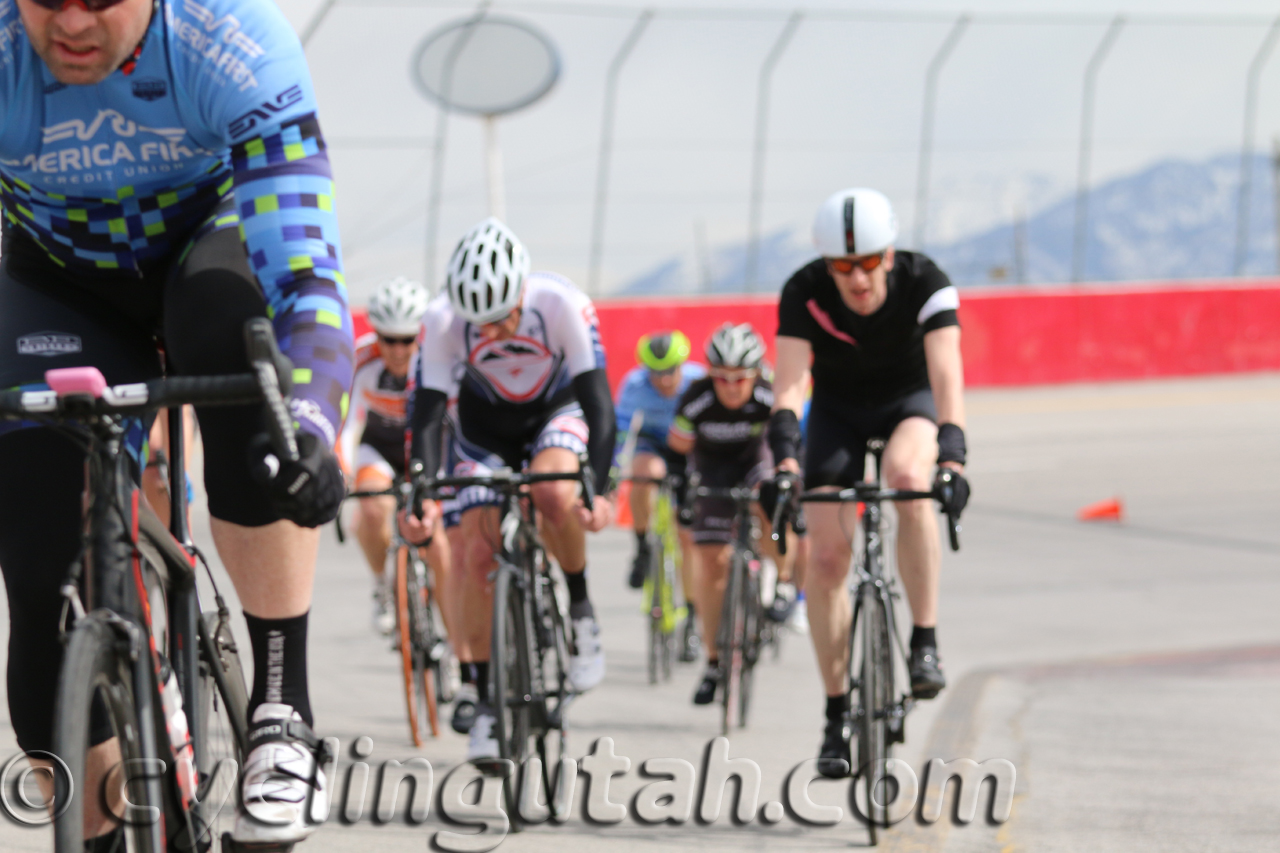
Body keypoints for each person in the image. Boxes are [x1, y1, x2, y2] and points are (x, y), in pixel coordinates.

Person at [0, 0, 352, 846]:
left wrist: (309, 418)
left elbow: (304, 277)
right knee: (40, 595)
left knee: (250, 383)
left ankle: (280, 711)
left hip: (209, 249)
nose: (73, 22)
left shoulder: (230, 39)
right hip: (62, 282)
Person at [768, 187, 971, 777]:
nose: (856, 279)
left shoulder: (925, 279)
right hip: (837, 411)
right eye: (841, 266)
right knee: (826, 560)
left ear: (888, 255)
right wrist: (785, 464)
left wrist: (952, 456)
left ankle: (923, 640)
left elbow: (946, 372)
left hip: (907, 402)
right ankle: (836, 713)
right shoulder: (802, 291)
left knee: (908, 478)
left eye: (868, 262)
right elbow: (788, 385)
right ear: (825, 264)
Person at [400, 217, 616, 760]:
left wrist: (602, 489)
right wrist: (421, 492)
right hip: (484, 428)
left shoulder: (562, 303)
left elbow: (599, 405)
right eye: (481, 324)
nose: (492, 332)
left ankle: (581, 606)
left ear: (522, 292)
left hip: (555, 409)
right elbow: (426, 419)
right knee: (474, 551)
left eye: (503, 319)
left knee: (551, 491)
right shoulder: (442, 321)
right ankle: (487, 692)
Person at [667, 323, 794, 706]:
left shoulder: (766, 396)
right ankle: (714, 661)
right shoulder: (695, 400)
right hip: (712, 470)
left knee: (771, 497)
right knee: (709, 561)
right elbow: (676, 452)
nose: (731, 387)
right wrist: (681, 493)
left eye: (740, 378)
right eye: (721, 378)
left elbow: (787, 446)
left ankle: (784, 581)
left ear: (756, 373)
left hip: (756, 461)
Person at [340, 278, 452, 639]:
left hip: (430, 449)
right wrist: (342, 466)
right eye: (389, 339)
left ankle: (452, 634)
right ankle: (382, 588)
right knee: (372, 507)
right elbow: (348, 421)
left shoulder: (434, 359)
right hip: (382, 447)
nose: (399, 349)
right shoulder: (363, 359)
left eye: (407, 339)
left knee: (442, 537)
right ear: (377, 335)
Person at [613, 330, 705, 660]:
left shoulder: (698, 381)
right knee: (642, 473)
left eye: (671, 372)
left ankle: (693, 618)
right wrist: (611, 470)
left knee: (688, 537)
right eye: (656, 373)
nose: (664, 380)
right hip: (653, 443)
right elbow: (621, 432)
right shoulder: (634, 386)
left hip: (689, 451)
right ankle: (641, 547)